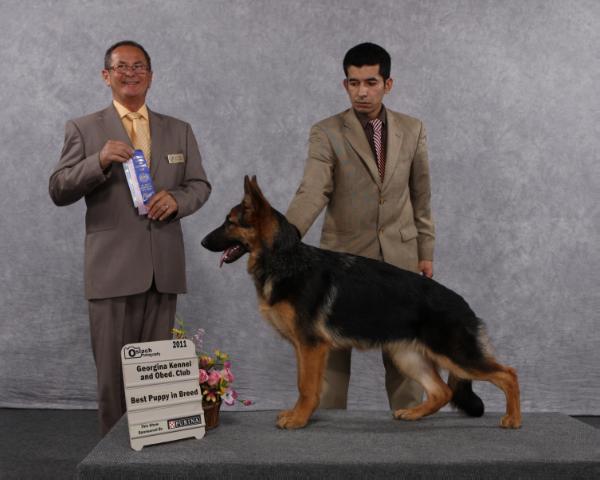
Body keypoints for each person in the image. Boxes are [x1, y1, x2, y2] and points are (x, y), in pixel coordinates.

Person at [49, 40, 211, 435]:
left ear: (151, 77)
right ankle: (112, 457)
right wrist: (98, 160)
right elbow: (59, 188)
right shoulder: (84, 129)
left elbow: (199, 186)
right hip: (111, 269)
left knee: (156, 374)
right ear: (107, 76)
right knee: (112, 375)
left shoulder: (179, 129)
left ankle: (152, 454)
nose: (131, 73)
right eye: (122, 66)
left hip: (163, 268)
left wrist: (176, 199)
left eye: (139, 66)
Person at [286, 42, 435, 411]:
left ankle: (411, 428)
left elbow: (421, 196)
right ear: (344, 85)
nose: (362, 91)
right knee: (331, 350)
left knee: (405, 347)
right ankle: (328, 436)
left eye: (370, 82)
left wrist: (425, 253)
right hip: (342, 261)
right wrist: (283, 240)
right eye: (354, 83)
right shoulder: (326, 132)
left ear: (388, 83)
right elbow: (312, 190)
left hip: (401, 257)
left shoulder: (413, 129)